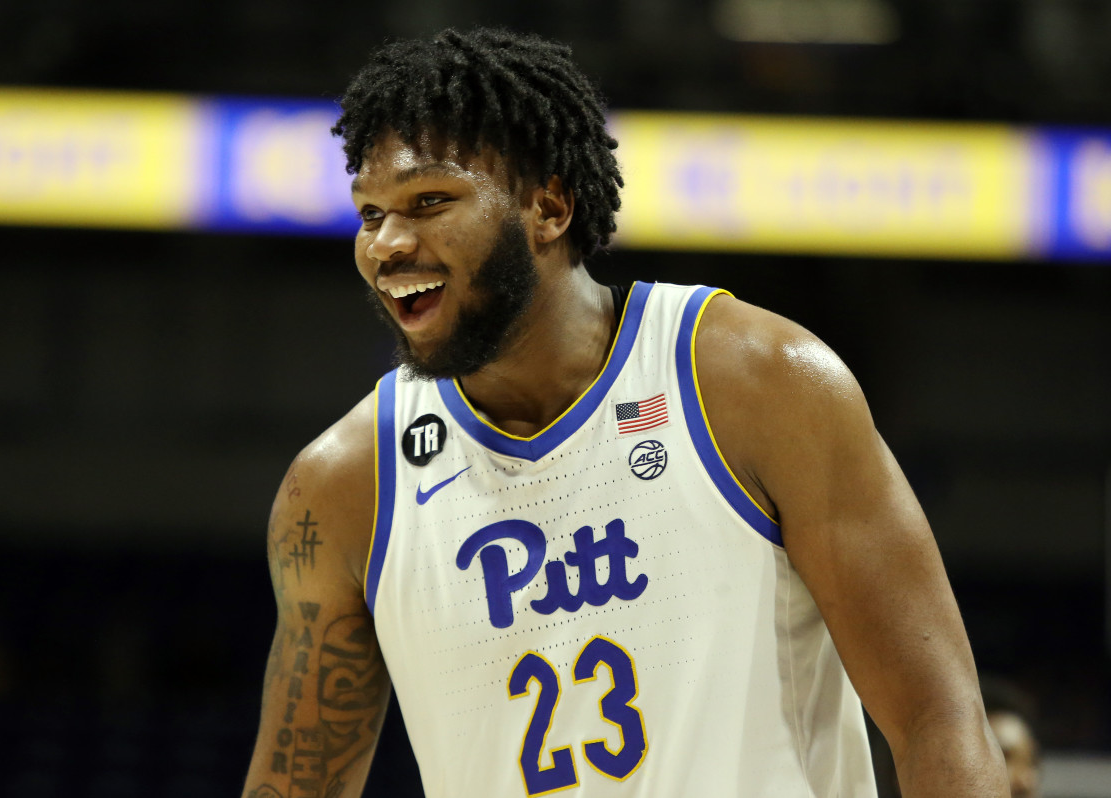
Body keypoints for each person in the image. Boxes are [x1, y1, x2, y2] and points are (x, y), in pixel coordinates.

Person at [240, 27, 1009, 798]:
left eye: (429, 202)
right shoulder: (347, 484)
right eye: (370, 214)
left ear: (549, 206)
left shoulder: (760, 386)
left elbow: (937, 718)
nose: (387, 244)